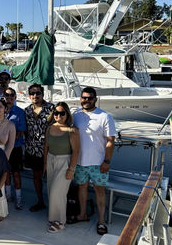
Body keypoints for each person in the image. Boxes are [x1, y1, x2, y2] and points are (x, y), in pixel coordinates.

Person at [69, 87, 116, 236]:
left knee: (99, 190)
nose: (86, 100)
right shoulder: (75, 114)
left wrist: (107, 161)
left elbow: (111, 141)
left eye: (89, 98)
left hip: (98, 163)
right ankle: (82, 214)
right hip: (80, 162)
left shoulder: (105, 116)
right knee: (81, 188)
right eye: (84, 98)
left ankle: (101, 221)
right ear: (80, 99)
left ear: (95, 99)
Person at [44, 102, 80, 233]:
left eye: (62, 113)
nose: (58, 115)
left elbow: (76, 151)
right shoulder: (49, 128)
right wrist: (44, 165)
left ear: (67, 114)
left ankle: (60, 222)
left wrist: (71, 169)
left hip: (65, 162)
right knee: (50, 190)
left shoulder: (72, 130)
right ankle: (53, 218)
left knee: (57, 193)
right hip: (50, 159)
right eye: (56, 113)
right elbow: (46, 147)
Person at [24, 83, 54, 212]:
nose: (35, 95)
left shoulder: (51, 108)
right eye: (32, 93)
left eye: (38, 93)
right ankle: (40, 201)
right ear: (29, 95)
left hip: (48, 150)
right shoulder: (27, 110)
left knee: (52, 179)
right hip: (32, 149)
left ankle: (54, 205)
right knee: (36, 177)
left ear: (42, 94)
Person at [3, 87, 26, 210]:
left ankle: (18, 199)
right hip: (2, 148)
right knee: (6, 173)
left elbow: (21, 131)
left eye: (12, 95)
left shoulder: (20, 112)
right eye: (7, 95)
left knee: (16, 173)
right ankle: (8, 195)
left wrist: (10, 140)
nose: (9, 98)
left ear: (15, 97)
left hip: (15, 148)